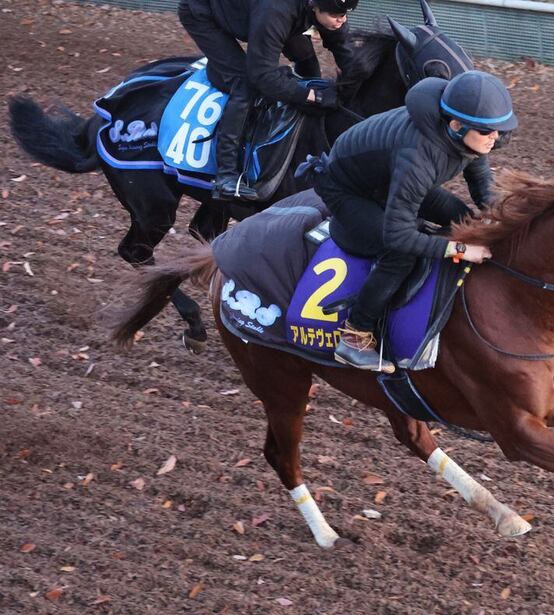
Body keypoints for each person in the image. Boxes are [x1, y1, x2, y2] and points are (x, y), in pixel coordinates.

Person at [315, 70, 518, 372]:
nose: (495, 138)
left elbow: (480, 180)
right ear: (456, 126)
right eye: (488, 132)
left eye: (498, 130)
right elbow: (398, 235)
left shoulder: (466, 134)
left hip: (389, 180)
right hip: (350, 191)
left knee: (464, 219)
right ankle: (355, 335)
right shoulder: (420, 156)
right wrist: (460, 250)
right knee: (400, 253)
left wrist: (500, 217)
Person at [177, 0, 358, 201]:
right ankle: (226, 176)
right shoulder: (276, 11)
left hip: (271, 13)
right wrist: (311, 96)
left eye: (346, 14)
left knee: (308, 63)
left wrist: (356, 82)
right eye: (335, 15)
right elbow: (262, 75)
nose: (342, 20)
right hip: (203, 11)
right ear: (314, 5)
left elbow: (342, 47)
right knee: (244, 83)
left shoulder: (328, 10)